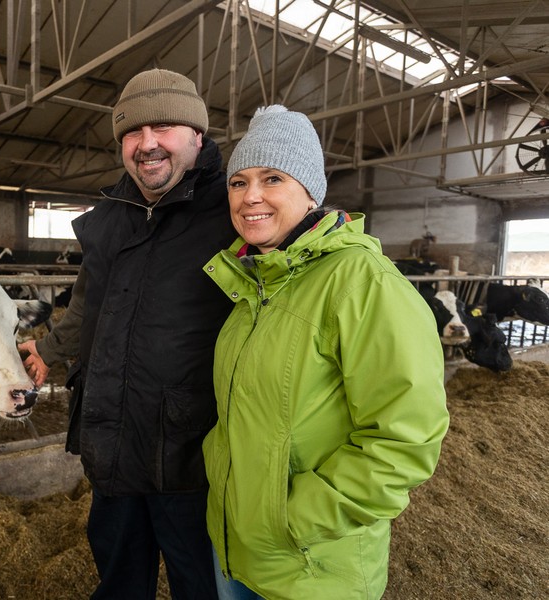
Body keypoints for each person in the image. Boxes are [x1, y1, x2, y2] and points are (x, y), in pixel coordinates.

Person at [202, 105, 451, 600]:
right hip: (237, 550)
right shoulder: (253, 284)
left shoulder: (362, 282)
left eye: (272, 178)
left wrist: (291, 519)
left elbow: (404, 441)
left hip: (312, 562)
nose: (251, 196)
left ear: (312, 192)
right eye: (238, 182)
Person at [17, 68, 235, 599]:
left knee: (199, 581)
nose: (147, 144)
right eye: (133, 132)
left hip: (189, 447)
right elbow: (89, 300)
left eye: (163, 128)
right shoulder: (112, 213)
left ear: (197, 136)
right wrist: (49, 349)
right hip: (111, 432)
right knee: (118, 576)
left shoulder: (233, 211)